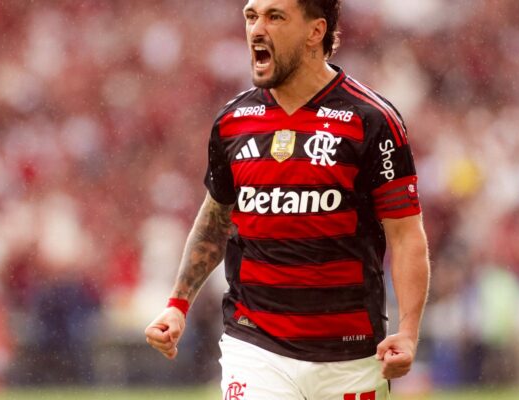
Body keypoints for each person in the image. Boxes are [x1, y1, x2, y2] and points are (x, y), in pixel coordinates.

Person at [144, 0, 430, 398]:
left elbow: (406, 235)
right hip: (255, 347)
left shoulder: (371, 120)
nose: (257, 29)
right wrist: (178, 305)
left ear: (315, 31)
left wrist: (409, 332)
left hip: (349, 355)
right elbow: (215, 221)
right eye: (251, 16)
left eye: (275, 17)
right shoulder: (232, 122)